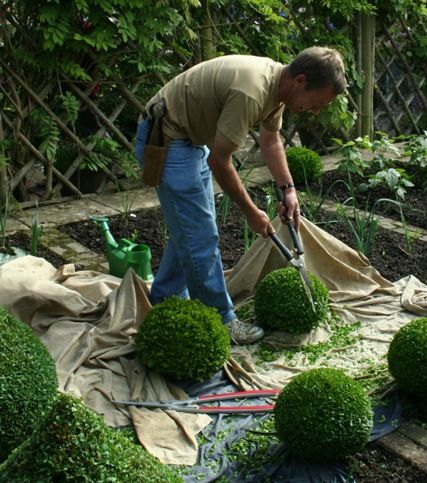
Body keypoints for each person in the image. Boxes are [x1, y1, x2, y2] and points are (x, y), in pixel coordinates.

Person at [135, 46, 346, 345]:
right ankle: (222, 320)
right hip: (167, 138)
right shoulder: (252, 91)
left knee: (191, 231)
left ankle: (165, 300)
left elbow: (271, 140)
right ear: (300, 80)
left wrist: (289, 190)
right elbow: (220, 162)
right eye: (316, 102)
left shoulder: (278, 87)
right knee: (200, 236)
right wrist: (251, 212)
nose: (315, 111)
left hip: (188, 139)